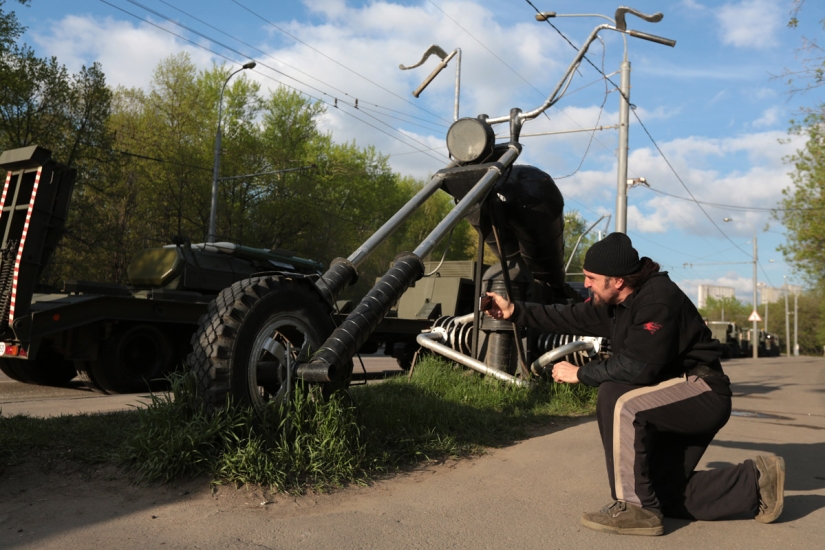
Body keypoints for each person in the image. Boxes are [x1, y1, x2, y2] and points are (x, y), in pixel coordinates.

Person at [484, 232, 785, 536]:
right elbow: (568, 316)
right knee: (660, 491)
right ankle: (757, 482)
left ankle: (635, 509)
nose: (585, 283)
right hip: (670, 396)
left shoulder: (657, 299)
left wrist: (580, 373)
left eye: (591, 277)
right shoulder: (616, 303)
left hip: (701, 392)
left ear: (617, 280)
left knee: (618, 398)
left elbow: (636, 368)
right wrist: (514, 312)